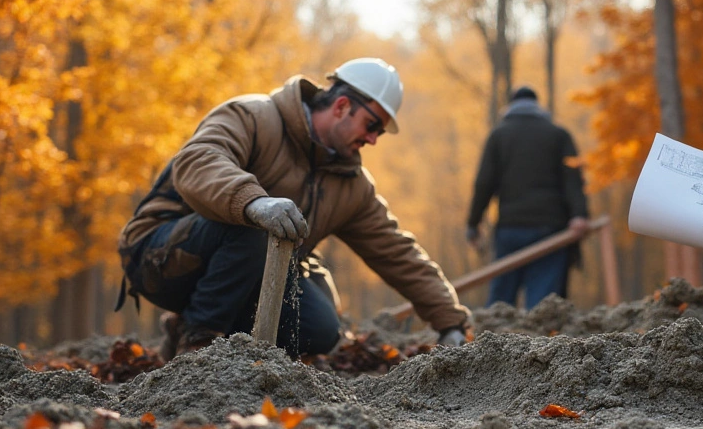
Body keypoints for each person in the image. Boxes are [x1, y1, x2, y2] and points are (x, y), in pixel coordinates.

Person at [117, 58, 471, 360]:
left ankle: (189, 325)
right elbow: (197, 162)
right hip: (161, 257)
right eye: (373, 125)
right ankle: (197, 344)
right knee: (258, 225)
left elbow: (397, 252)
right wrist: (255, 202)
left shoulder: (352, 185)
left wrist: (450, 322)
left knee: (321, 330)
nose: (374, 139)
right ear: (343, 105)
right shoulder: (253, 116)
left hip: (244, 272)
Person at [466, 85, 590, 308]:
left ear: (511, 106)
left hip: (510, 229)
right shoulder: (558, 135)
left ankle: (492, 340)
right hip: (551, 232)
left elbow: (484, 183)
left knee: (501, 302)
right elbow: (573, 179)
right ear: (538, 106)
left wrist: (473, 224)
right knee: (543, 303)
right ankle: (542, 342)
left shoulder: (499, 136)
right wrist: (579, 214)